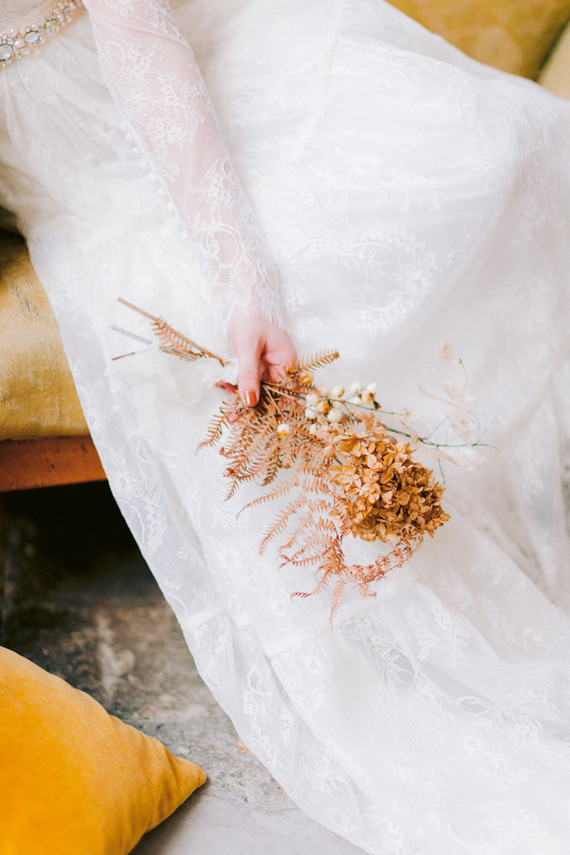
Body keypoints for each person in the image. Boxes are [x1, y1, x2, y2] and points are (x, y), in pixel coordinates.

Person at [1, 1, 570, 852]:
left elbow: (143, 47)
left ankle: (473, 483)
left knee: (492, 149)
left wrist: (244, 276)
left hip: (184, 72)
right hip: (68, 157)